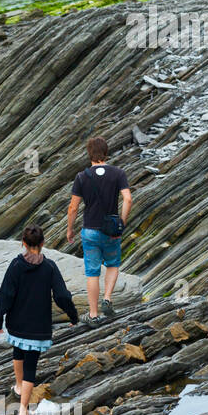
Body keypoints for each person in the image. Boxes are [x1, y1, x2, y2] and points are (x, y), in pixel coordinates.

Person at [0, 224, 80, 415]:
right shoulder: (49, 267)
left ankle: (18, 387)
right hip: (38, 327)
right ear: (42, 243)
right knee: (31, 366)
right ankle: (23, 408)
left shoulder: (16, 266)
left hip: (16, 323)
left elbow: (6, 294)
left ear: (23, 243)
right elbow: (62, 296)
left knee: (18, 351)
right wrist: (73, 316)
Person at [66, 135, 132, 323]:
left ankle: (93, 315)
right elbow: (128, 199)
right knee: (112, 264)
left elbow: (73, 207)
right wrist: (122, 222)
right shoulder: (118, 173)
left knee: (92, 271)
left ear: (89, 154)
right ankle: (108, 298)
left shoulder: (82, 177)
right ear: (106, 152)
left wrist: (70, 229)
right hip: (111, 230)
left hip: (90, 231)